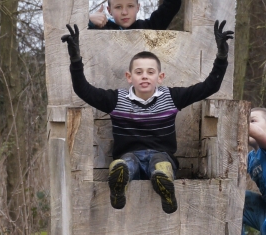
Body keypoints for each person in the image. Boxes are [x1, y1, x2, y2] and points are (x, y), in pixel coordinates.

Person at [60, 21, 234, 214]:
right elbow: (83, 90)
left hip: (161, 155)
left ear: (160, 77)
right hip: (129, 155)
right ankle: (119, 184)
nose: (145, 76)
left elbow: (209, 86)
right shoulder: (116, 100)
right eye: (139, 72)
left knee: (160, 164)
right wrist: (75, 60)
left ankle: (164, 181)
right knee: (127, 163)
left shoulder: (172, 97)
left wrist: (221, 57)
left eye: (150, 72)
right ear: (129, 77)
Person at [89, 0, 181, 30]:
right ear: (109, 10)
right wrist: (88, 21)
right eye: (118, 7)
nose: (124, 12)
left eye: (130, 6)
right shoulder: (102, 27)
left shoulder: (149, 26)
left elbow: (172, 5)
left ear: (138, 8)